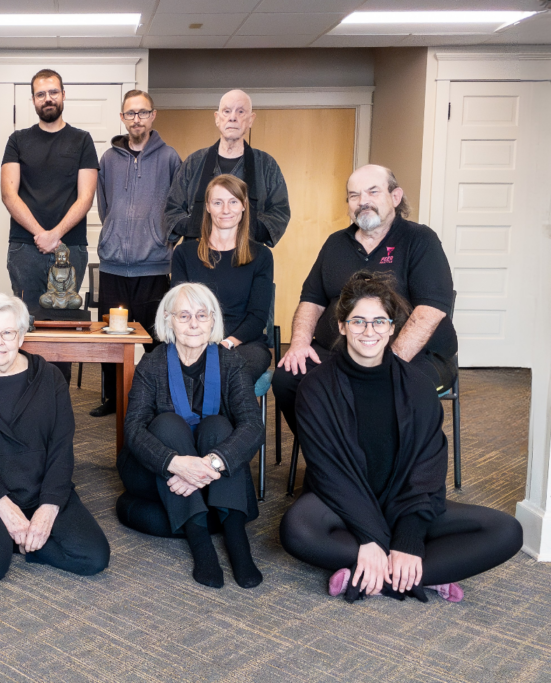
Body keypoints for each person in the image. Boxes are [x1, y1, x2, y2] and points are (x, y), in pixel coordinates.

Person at [280, 271, 522, 603]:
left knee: (506, 531)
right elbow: (328, 472)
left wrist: (408, 539)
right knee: (298, 529)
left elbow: (429, 467)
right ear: (341, 325)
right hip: (344, 504)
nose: (369, 331)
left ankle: (368, 574)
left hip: (404, 502)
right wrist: (370, 538)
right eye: (358, 322)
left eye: (380, 322)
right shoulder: (316, 386)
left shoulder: (418, 385)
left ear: (393, 327)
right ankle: (416, 573)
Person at [272, 164, 458, 440]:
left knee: (384, 390)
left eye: (373, 191)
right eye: (354, 195)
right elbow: (311, 300)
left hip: (414, 354)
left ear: (395, 197)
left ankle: (376, 472)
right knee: (288, 378)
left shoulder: (420, 240)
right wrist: (299, 343)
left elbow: (431, 309)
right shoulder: (336, 243)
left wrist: (389, 361)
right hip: (339, 350)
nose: (363, 202)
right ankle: (328, 457)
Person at [0, 293, 110, 586]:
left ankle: (14, 543)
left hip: (40, 485)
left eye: (8, 333)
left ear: (20, 337)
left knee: (93, 557)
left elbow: (61, 447)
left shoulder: (50, 378)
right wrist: (4, 508)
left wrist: (49, 506)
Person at [116, 283, 265, 589]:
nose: (194, 323)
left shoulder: (230, 362)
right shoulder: (152, 363)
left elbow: (252, 425)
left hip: (209, 464)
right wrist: (175, 463)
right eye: (184, 316)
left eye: (201, 315)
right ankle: (201, 543)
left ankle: (238, 543)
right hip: (159, 466)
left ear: (213, 320)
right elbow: (133, 429)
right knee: (168, 423)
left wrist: (210, 464)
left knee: (219, 427)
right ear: (168, 320)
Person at [1, 68, 99, 381]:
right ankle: (25, 393)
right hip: (24, 248)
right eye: (41, 94)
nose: (48, 99)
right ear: (33, 99)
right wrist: (39, 234)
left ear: (63, 95)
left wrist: (55, 234)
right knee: (27, 323)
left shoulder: (82, 140)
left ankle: (57, 400)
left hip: (70, 247)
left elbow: (86, 197)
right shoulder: (18, 140)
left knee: (62, 326)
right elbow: (9, 194)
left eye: (53, 92)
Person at [90, 89, 182, 418]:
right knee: (109, 339)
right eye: (130, 113)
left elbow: (179, 207)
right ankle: (113, 398)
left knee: (157, 339)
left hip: (154, 268)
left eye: (143, 112)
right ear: (122, 118)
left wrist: (162, 238)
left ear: (153, 115)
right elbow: (104, 205)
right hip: (114, 266)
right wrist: (116, 233)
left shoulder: (169, 157)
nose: (137, 119)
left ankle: (159, 400)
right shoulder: (108, 159)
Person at [171, 174, 273, 380]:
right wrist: (201, 343)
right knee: (161, 368)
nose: (226, 210)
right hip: (195, 338)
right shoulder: (184, 253)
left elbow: (258, 316)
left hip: (244, 343)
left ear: (243, 206)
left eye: (233, 202)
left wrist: (227, 343)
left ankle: (222, 414)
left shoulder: (261, 256)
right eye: (218, 203)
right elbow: (179, 310)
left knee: (230, 372)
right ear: (208, 207)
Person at [163, 89, 289, 246]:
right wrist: (196, 227)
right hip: (197, 255)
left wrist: (248, 230)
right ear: (217, 118)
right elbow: (172, 210)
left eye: (241, 112)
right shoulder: (194, 163)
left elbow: (279, 212)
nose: (233, 117)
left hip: (248, 257)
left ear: (251, 119)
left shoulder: (266, 165)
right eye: (227, 111)